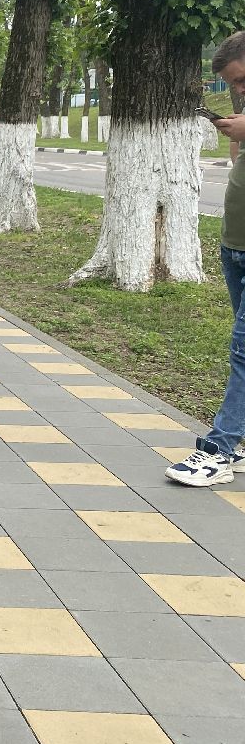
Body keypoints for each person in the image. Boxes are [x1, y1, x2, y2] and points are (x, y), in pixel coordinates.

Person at [168, 31, 245, 484]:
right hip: (235, 245)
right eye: (233, 84)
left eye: (241, 79)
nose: (238, 91)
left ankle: (219, 447)